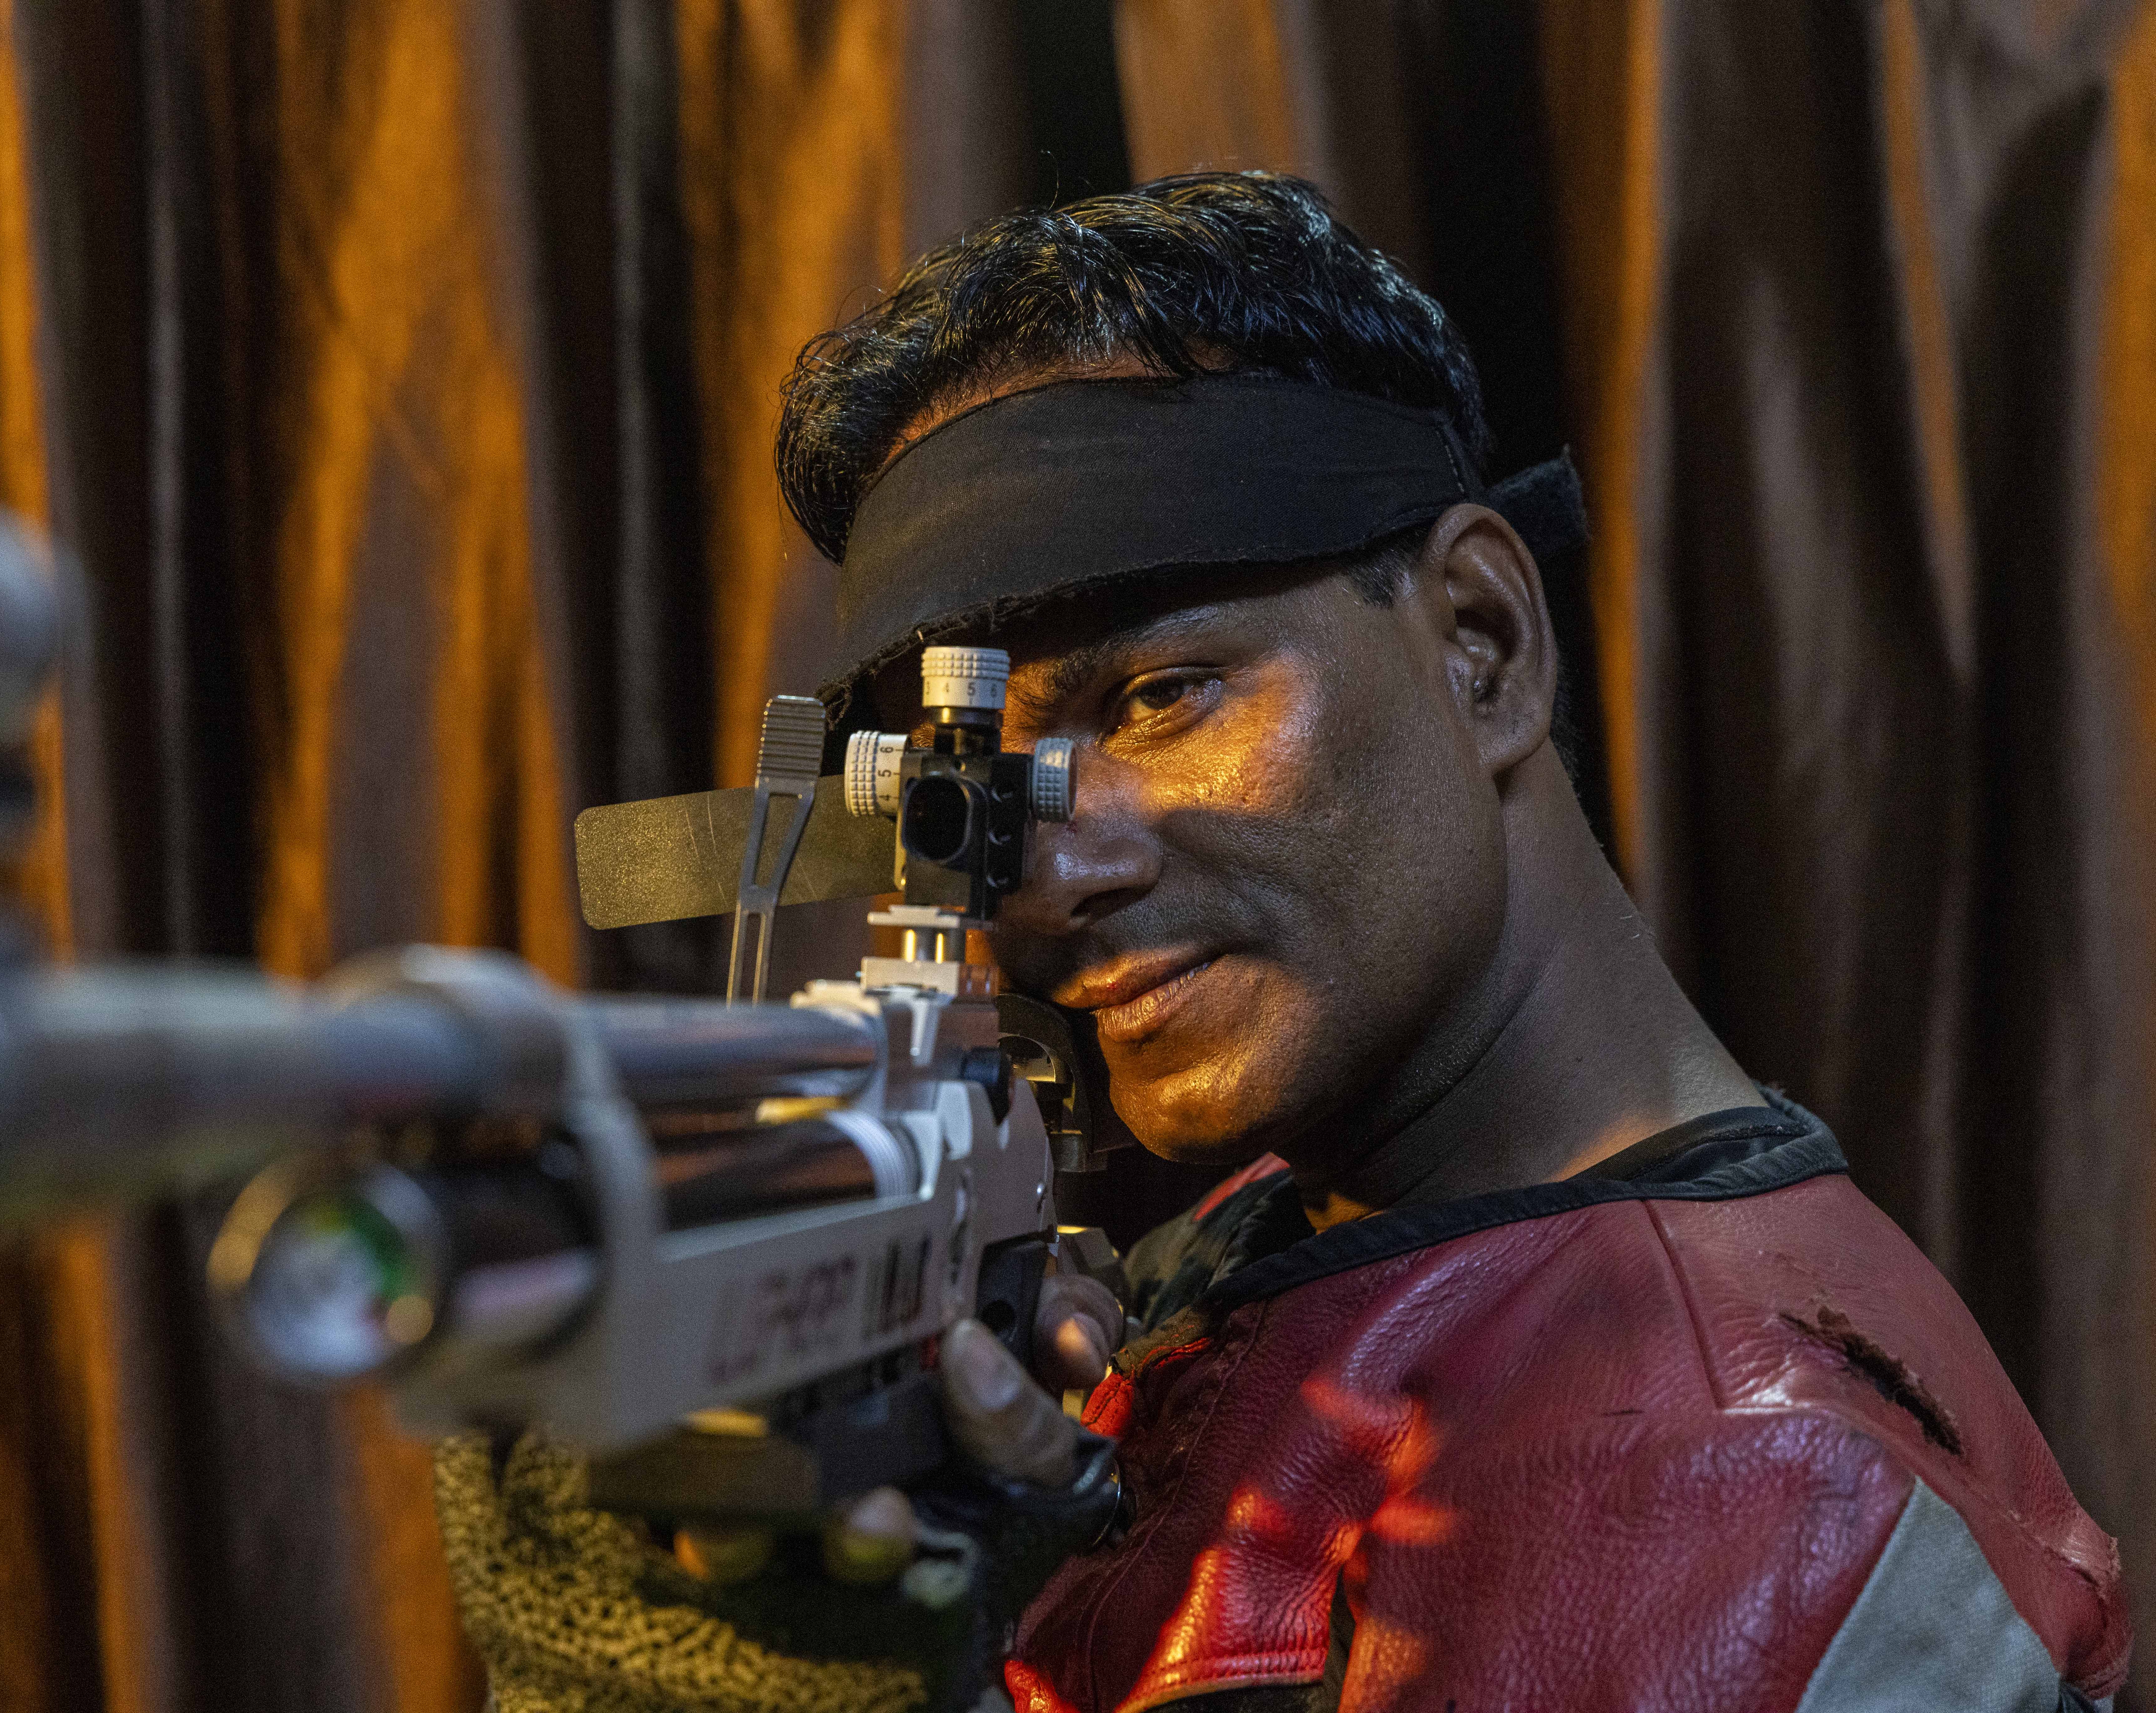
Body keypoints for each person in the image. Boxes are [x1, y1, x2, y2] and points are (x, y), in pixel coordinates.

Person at [442, 171, 2129, 1713]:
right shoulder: (1293, 1244)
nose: (1060, 871)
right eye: (991, 790)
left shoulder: (1743, 1496)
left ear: (1479, 644)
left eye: (1164, 695)